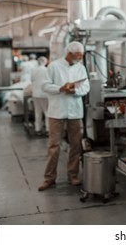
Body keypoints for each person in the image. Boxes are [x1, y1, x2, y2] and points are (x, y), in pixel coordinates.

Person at [38, 41, 90, 191]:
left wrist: (74, 91)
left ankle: (72, 175)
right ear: (69, 53)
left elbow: (85, 87)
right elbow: (45, 86)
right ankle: (49, 178)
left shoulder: (80, 68)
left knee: (75, 144)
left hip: (75, 112)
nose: (80, 59)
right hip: (56, 112)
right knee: (54, 145)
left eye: (81, 56)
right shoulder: (54, 66)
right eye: (78, 56)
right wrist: (60, 88)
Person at [30, 56, 49, 136]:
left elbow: (32, 80)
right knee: (47, 112)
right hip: (44, 94)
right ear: (45, 62)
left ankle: (38, 129)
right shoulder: (46, 70)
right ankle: (48, 129)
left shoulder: (34, 70)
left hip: (35, 94)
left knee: (37, 112)